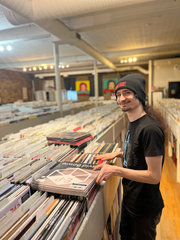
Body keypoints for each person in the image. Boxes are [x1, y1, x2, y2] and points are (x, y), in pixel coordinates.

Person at [94, 74, 165, 240]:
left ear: (138, 95)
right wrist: (119, 153)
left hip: (143, 209)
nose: (121, 99)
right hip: (129, 201)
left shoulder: (150, 129)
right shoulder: (133, 121)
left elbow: (154, 176)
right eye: (118, 95)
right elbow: (138, 152)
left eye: (127, 93)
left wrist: (117, 170)